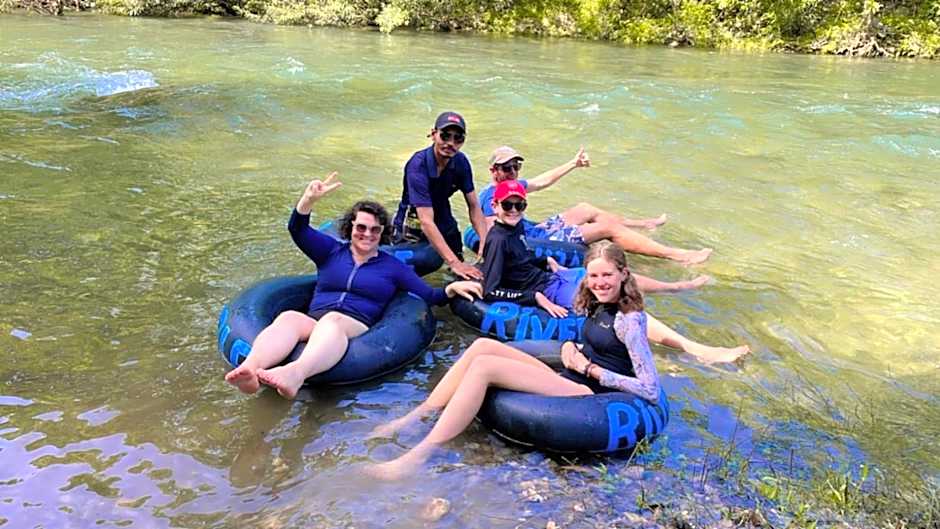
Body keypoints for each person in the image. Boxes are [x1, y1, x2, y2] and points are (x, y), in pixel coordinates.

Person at [366, 241, 665, 480]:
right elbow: (601, 345)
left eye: (607, 275)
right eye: (594, 275)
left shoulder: (630, 320)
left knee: (485, 368)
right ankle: (414, 417)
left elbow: (650, 389)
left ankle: (419, 455)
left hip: (591, 394)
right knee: (483, 345)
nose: (599, 282)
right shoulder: (598, 304)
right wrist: (574, 350)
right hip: (573, 376)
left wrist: (591, 369)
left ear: (624, 274)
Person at [225, 172, 482, 399]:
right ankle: (252, 368)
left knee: (333, 321)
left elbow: (428, 295)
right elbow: (298, 230)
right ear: (350, 228)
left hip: (354, 324)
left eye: (374, 230)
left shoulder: (393, 267)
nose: (367, 234)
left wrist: (451, 289)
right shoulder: (330, 251)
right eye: (361, 227)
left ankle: (295, 374)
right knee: (289, 317)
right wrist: (308, 200)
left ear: (382, 233)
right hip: (315, 320)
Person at [479, 180, 749, 362]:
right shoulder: (499, 239)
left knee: (617, 276)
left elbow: (520, 262)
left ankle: (675, 287)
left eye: (519, 205)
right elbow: (492, 291)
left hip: (555, 277)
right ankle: (698, 350)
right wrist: (534, 298)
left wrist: (546, 263)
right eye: (508, 205)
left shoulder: (515, 230)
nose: (514, 210)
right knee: (621, 304)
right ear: (495, 206)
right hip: (549, 290)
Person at [476, 146, 712, 265]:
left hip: (535, 230)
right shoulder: (492, 197)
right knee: (607, 229)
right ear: (493, 171)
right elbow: (490, 233)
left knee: (585, 208)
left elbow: (542, 180)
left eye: (516, 167)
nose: (513, 172)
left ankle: (643, 224)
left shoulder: (513, 187)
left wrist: (573, 163)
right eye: (506, 168)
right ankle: (677, 255)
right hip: (533, 241)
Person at [392, 111, 488, 280]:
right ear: (434, 134)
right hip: (414, 220)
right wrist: (454, 263)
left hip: (443, 215)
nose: (450, 143)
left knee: (459, 262)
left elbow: (473, 205)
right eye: (445, 136)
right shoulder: (417, 165)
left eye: (457, 138)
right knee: (408, 275)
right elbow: (426, 221)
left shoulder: (461, 162)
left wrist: (484, 241)